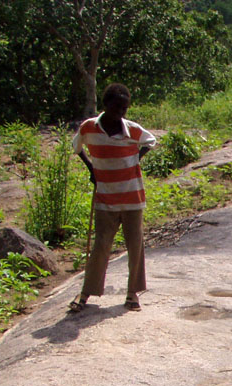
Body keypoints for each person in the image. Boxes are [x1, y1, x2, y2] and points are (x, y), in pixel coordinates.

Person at [69, 83, 156, 312]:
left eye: (124, 109)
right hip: (105, 197)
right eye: (117, 108)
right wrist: (92, 170)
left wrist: (135, 159)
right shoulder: (89, 128)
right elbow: (76, 147)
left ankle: (132, 293)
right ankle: (86, 293)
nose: (120, 113)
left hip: (132, 197)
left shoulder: (132, 130)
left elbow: (151, 141)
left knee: (135, 244)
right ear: (105, 105)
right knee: (101, 246)